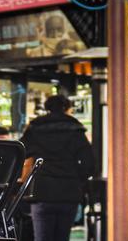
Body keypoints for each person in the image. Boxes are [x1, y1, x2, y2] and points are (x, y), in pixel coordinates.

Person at [20, 94, 94, 241]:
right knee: (62, 237)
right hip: (68, 191)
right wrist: (77, 179)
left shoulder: (36, 127)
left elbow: (21, 151)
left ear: (47, 108)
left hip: (42, 191)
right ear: (67, 108)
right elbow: (89, 163)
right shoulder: (75, 128)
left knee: (42, 237)